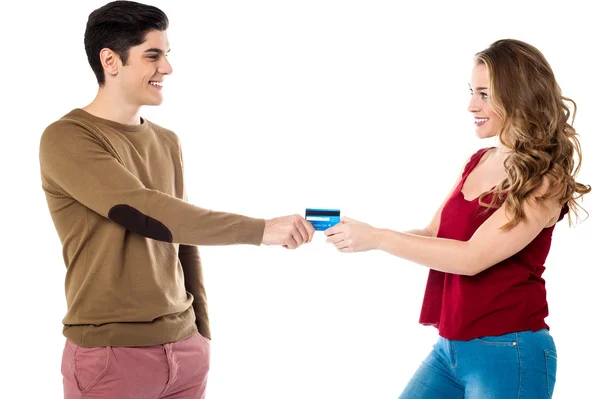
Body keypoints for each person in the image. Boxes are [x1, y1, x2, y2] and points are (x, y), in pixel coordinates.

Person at [38, 1, 315, 398]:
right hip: (112, 356)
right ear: (110, 60)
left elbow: (183, 239)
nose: (166, 68)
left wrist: (200, 333)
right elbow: (144, 210)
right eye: (153, 55)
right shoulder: (68, 138)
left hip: (185, 351)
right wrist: (261, 230)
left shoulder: (166, 141)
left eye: (167, 55)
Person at [324, 38, 591, 398]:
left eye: (483, 94)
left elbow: (471, 258)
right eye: (471, 92)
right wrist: (361, 236)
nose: (470, 105)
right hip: (450, 349)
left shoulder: (544, 179)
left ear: (516, 94)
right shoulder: (477, 161)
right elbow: (433, 234)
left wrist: (379, 237)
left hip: (510, 350)